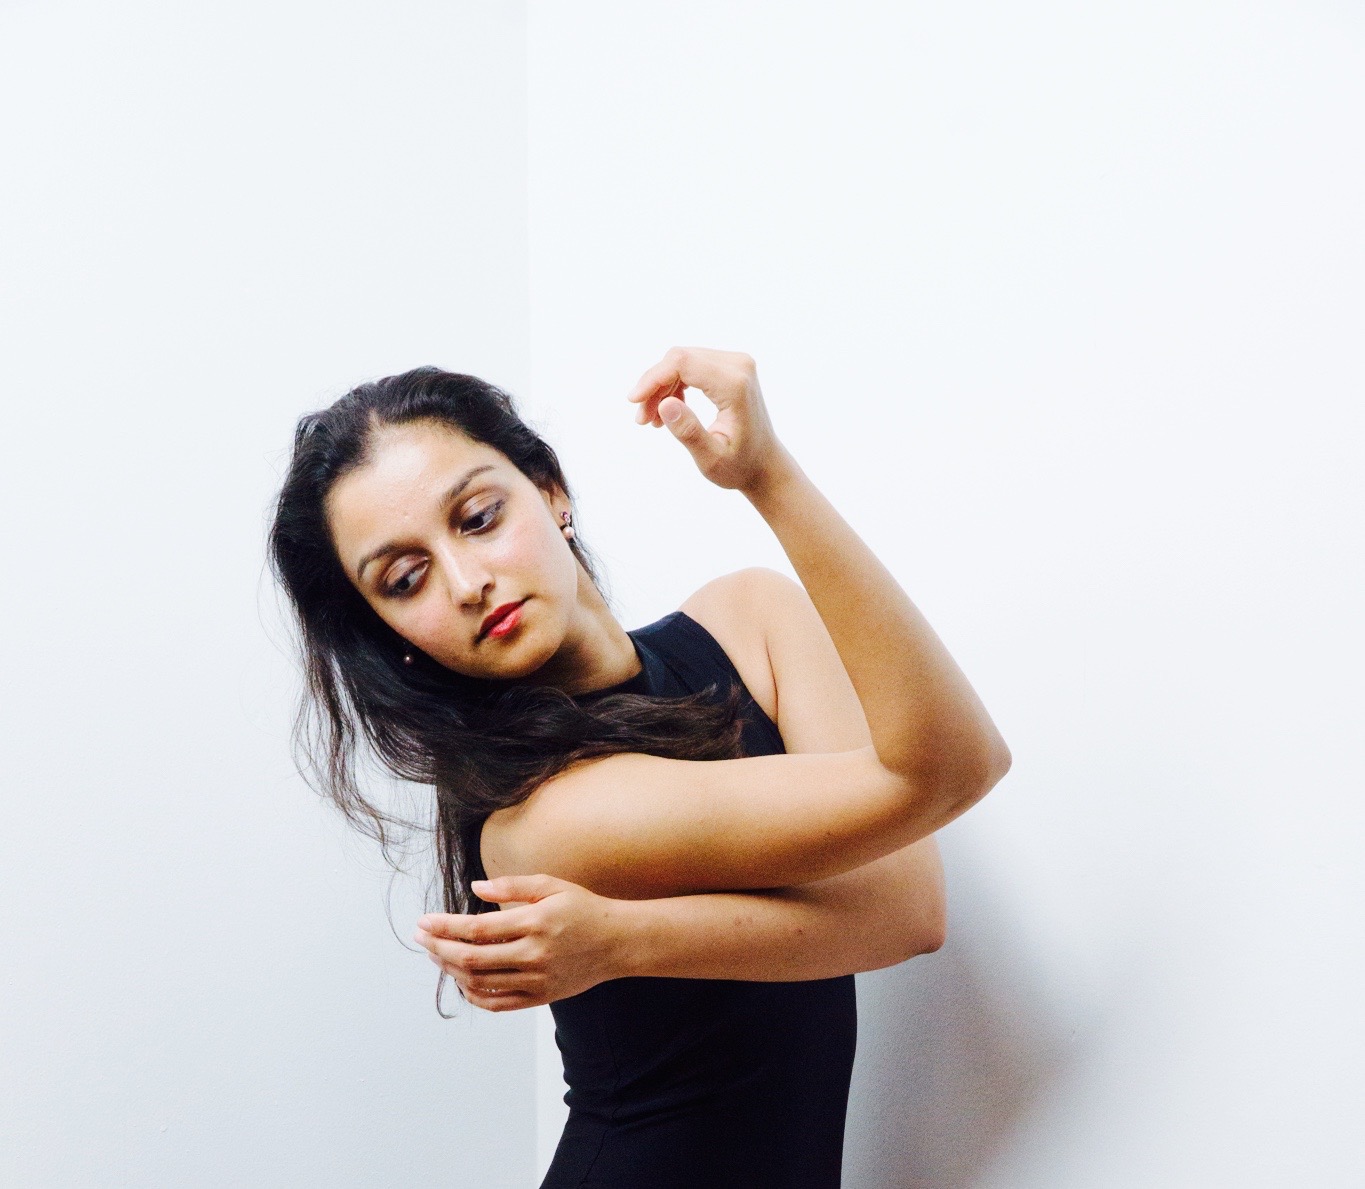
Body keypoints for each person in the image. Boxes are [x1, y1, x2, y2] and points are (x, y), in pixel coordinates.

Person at [268, 346, 1011, 1188]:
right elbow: (948, 772)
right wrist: (766, 482)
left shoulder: (750, 616)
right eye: (406, 578)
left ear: (550, 492)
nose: (469, 580)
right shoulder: (545, 816)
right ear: (389, 635)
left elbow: (906, 906)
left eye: (477, 517)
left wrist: (622, 939)